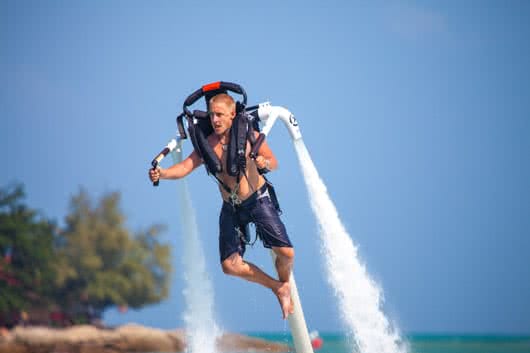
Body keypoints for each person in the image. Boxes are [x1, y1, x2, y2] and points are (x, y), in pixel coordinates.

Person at [149, 93, 295, 319]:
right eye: (212, 115)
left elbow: (274, 162)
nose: (215, 120)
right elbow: (185, 167)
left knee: (286, 254)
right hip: (231, 207)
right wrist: (163, 173)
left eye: (219, 115)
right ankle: (278, 288)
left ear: (232, 114)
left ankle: (285, 284)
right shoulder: (207, 144)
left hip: (258, 200)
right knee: (229, 265)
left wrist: (264, 162)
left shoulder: (250, 135)